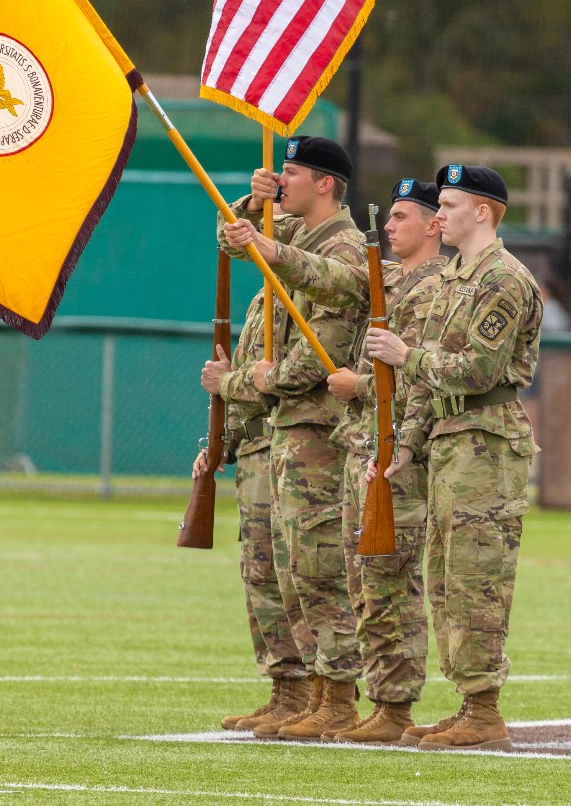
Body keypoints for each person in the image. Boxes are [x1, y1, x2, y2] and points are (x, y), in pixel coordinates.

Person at [225, 177, 446, 744]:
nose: (391, 227)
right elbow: (324, 274)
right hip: (358, 441)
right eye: (389, 218)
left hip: (391, 442)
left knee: (374, 575)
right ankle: (327, 694)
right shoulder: (384, 277)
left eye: (403, 217)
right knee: (325, 569)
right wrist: (258, 215)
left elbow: (436, 373)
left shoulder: (444, 285)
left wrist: (354, 388)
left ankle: (364, 699)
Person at [367, 164, 542, 752]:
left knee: (476, 580)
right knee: (444, 578)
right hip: (449, 441)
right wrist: (407, 445)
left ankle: (485, 712)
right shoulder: (455, 279)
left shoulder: (503, 280)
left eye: (449, 204)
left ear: (484, 212)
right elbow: (433, 384)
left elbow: (478, 370)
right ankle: (469, 704)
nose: (437, 215)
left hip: (486, 445)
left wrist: (404, 353)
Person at [218, 135, 367, 741]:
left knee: (317, 564)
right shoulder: (295, 237)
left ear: (325, 183)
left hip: (320, 428)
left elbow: (323, 347)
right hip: (283, 427)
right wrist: (250, 214)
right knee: (279, 567)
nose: (280, 180)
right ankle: (292, 689)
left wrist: (254, 379)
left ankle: (335, 694)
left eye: (292, 171)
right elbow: (229, 246)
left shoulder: (345, 247)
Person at [195, 266, 317, 732]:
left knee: (286, 573)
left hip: (281, 447)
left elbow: (280, 380)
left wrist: (227, 382)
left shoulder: (302, 298)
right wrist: (220, 442)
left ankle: (307, 687)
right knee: (259, 575)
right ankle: (285, 686)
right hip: (250, 450)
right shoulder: (262, 299)